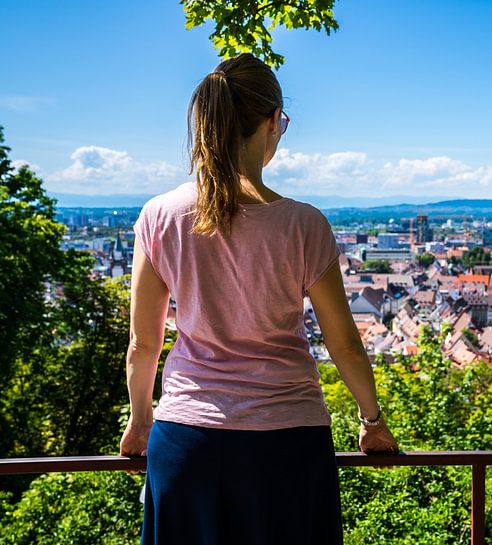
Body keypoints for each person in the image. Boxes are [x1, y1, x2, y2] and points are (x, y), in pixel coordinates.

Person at [119, 53, 399, 545]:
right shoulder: (303, 224)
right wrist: (371, 421)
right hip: (287, 441)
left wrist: (141, 422)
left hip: (187, 439)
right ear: (273, 122)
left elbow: (144, 344)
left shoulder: (159, 216)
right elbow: (344, 344)